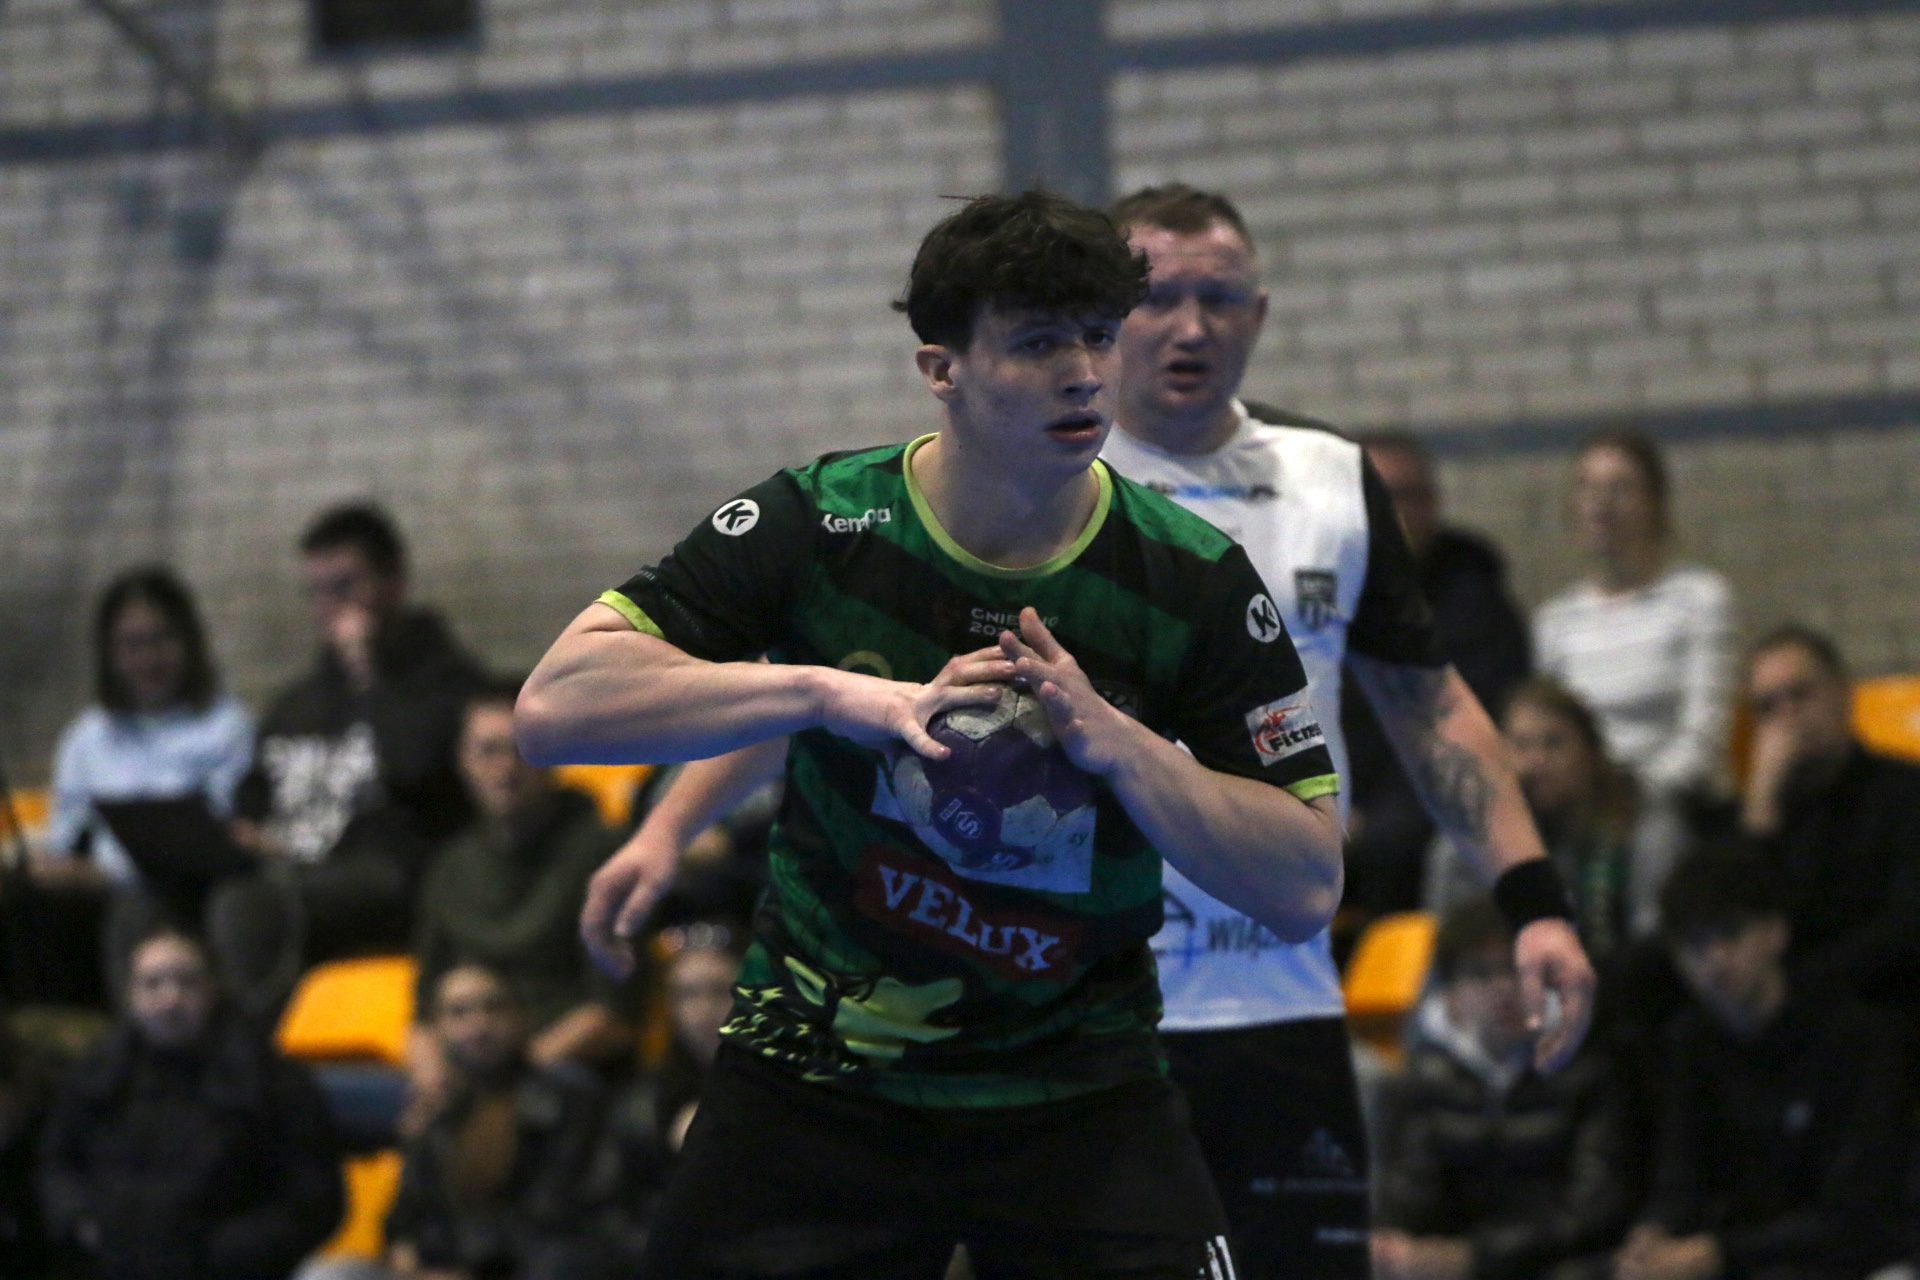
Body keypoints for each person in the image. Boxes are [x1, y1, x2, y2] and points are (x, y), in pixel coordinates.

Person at [520, 190, 1349, 1278]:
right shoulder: (821, 522)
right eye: (1038, 343)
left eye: (1099, 336)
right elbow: (555, 706)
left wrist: (1121, 746)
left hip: (1080, 1087)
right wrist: (825, 696)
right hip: (815, 1074)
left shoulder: (1188, 578)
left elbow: (1305, 886)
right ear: (941, 368)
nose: (1084, 374)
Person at [1093, 183, 1592, 1279]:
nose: (1191, 326)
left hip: (1282, 995)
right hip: (1093, 1009)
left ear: (1260, 314)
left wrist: (1536, 903)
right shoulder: (1039, 476)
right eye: (1158, 297)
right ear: (1105, 312)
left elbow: (1431, 707)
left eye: (1220, 297)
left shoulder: (1328, 477)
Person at [220, 503, 482, 1016]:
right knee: (158, 902)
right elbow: (251, 797)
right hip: (289, 870)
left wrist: (367, 673)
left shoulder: (447, 686)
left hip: (392, 878)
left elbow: (412, 767)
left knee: (247, 907)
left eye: (344, 586)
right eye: (317, 591)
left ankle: (253, 1052)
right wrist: (243, 833)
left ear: (394, 581)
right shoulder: (300, 702)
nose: (329, 606)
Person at [1619, 846, 1912, 1280]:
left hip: (1855, 1261)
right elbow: (1680, 1173)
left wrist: (1716, 1254)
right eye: (1694, 944)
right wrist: (1656, 1231)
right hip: (1748, 1257)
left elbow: (1859, 1212)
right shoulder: (1689, 1041)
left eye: (1730, 933)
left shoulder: (1855, 1035)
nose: (1714, 958)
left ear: (1776, 932)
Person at [37, 925, 343, 1280]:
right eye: (152, 984)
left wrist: (219, 1254)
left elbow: (314, 1201)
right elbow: (57, 1162)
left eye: (186, 983)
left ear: (213, 988)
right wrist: (82, 1222)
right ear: (131, 995)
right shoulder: (98, 1073)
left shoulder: (269, 1079)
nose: (170, 999)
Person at [405, 678, 631, 1133]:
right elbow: (423, 1012)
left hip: (565, 1072)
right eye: (488, 751)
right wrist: (430, 1076)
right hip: (467, 1068)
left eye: (522, 749)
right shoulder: (450, 865)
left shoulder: (601, 855)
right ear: (463, 761)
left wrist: (512, 1079)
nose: (505, 768)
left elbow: (613, 1016)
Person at [1374, 898, 1631, 1280]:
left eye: (1519, 970)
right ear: (1450, 995)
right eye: (1480, 974)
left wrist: (1475, 1259)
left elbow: (1596, 1213)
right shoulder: (1421, 1081)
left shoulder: (1591, 1072)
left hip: (1558, 1266)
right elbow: (1407, 1202)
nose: (1504, 988)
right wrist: (1398, 1249)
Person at [36, 566, 255, 990]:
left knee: (138, 906)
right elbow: (65, 836)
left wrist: (107, 874)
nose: (149, 659)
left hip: (185, 890)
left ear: (189, 641)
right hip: (88, 892)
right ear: (110, 654)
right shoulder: (87, 737)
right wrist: (48, 867)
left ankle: (142, 1030)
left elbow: (217, 840)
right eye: (132, 645)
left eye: (162, 639)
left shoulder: (225, 727)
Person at [1342, 431, 1532, 919]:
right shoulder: (1316, 595)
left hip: (1423, 801)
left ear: (1431, 505)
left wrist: (1365, 816)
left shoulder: (1475, 601)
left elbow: (1472, 725)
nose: (1390, 513)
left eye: (1403, 496)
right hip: (1332, 796)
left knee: (1394, 842)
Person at [383, 963, 624, 1280]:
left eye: (493, 1007)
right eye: (459, 1013)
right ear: (437, 1028)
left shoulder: (569, 1104)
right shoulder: (436, 1114)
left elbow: (567, 1223)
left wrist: (467, 1271)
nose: (478, 1024)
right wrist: (409, 1255)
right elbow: (406, 1221)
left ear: (522, 1018)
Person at [1534, 432, 1734, 800]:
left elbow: (1703, 736)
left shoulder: (1699, 598)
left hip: (1675, 805)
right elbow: (1549, 734)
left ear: (1654, 504)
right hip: (1583, 809)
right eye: (1587, 487)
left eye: (1620, 488)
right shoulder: (1554, 620)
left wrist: (1630, 798)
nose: (1601, 504)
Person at [1738, 624, 1920, 1022]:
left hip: (1886, 1008)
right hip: (1788, 1018)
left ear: (1842, 692)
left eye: (1800, 694)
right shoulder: (1761, 815)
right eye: (1768, 707)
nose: (1787, 715)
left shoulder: (1906, 793)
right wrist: (1760, 811)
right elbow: (1738, 920)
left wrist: (1795, 985)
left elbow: (1906, 928)